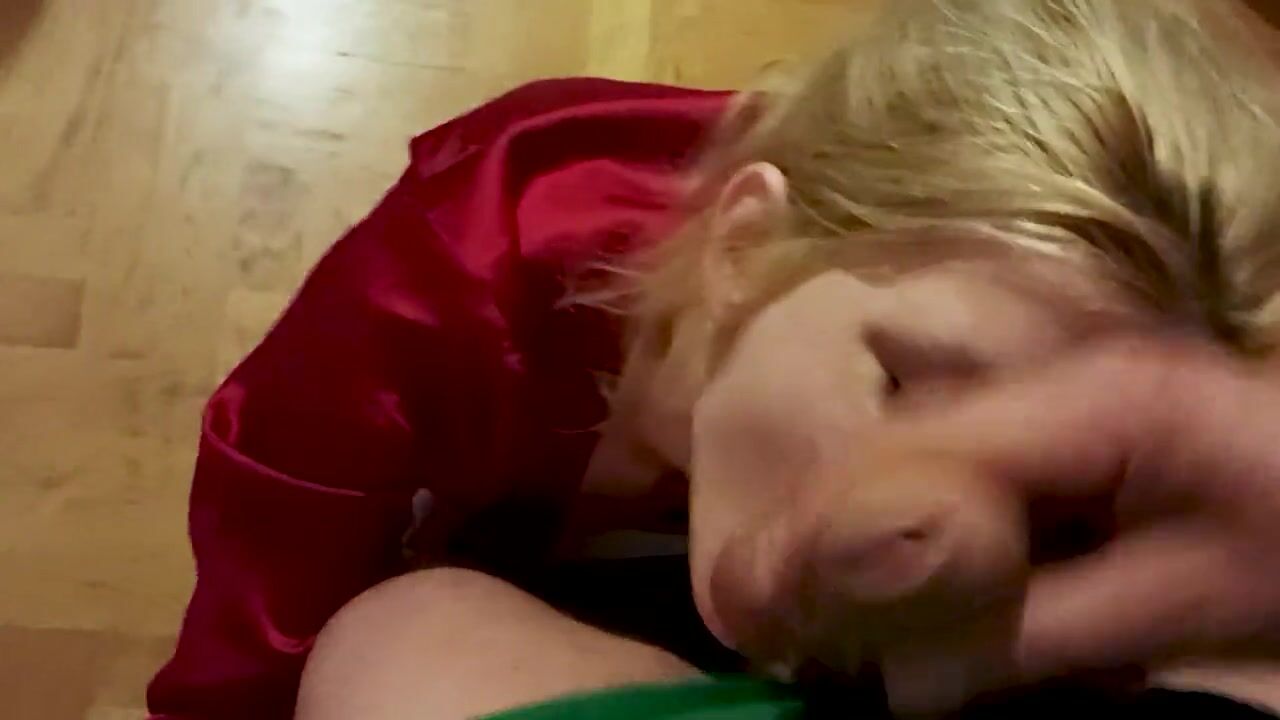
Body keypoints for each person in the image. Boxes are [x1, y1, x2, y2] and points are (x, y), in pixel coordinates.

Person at [149, 1, 1280, 718]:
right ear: (742, 246)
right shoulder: (471, 262)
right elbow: (276, 531)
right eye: (907, 392)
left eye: (1062, 514)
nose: (912, 519)